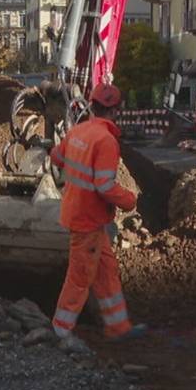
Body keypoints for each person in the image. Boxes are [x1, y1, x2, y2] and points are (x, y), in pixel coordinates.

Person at [48, 83, 147, 352]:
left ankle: (118, 327)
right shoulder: (106, 141)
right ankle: (60, 332)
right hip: (88, 220)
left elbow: (56, 157)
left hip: (80, 215)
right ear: (115, 110)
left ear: (92, 106)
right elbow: (104, 186)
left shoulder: (78, 131)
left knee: (106, 271)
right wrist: (129, 200)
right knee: (79, 278)